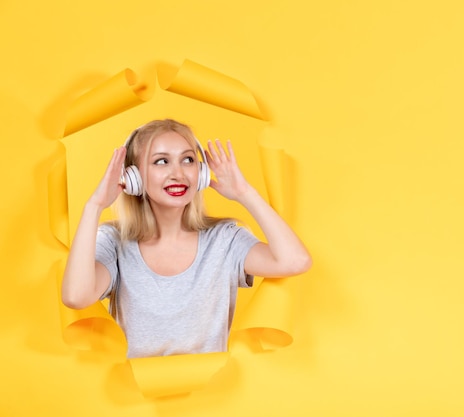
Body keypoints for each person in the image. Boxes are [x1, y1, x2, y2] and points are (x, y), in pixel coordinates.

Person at [61, 119, 312, 358]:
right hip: (136, 397)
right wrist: (94, 206)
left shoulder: (224, 239)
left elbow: (295, 261)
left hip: (212, 397)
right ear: (134, 177)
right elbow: (76, 296)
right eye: (161, 162)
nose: (178, 174)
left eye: (188, 160)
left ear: (200, 173)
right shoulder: (114, 243)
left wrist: (244, 193)